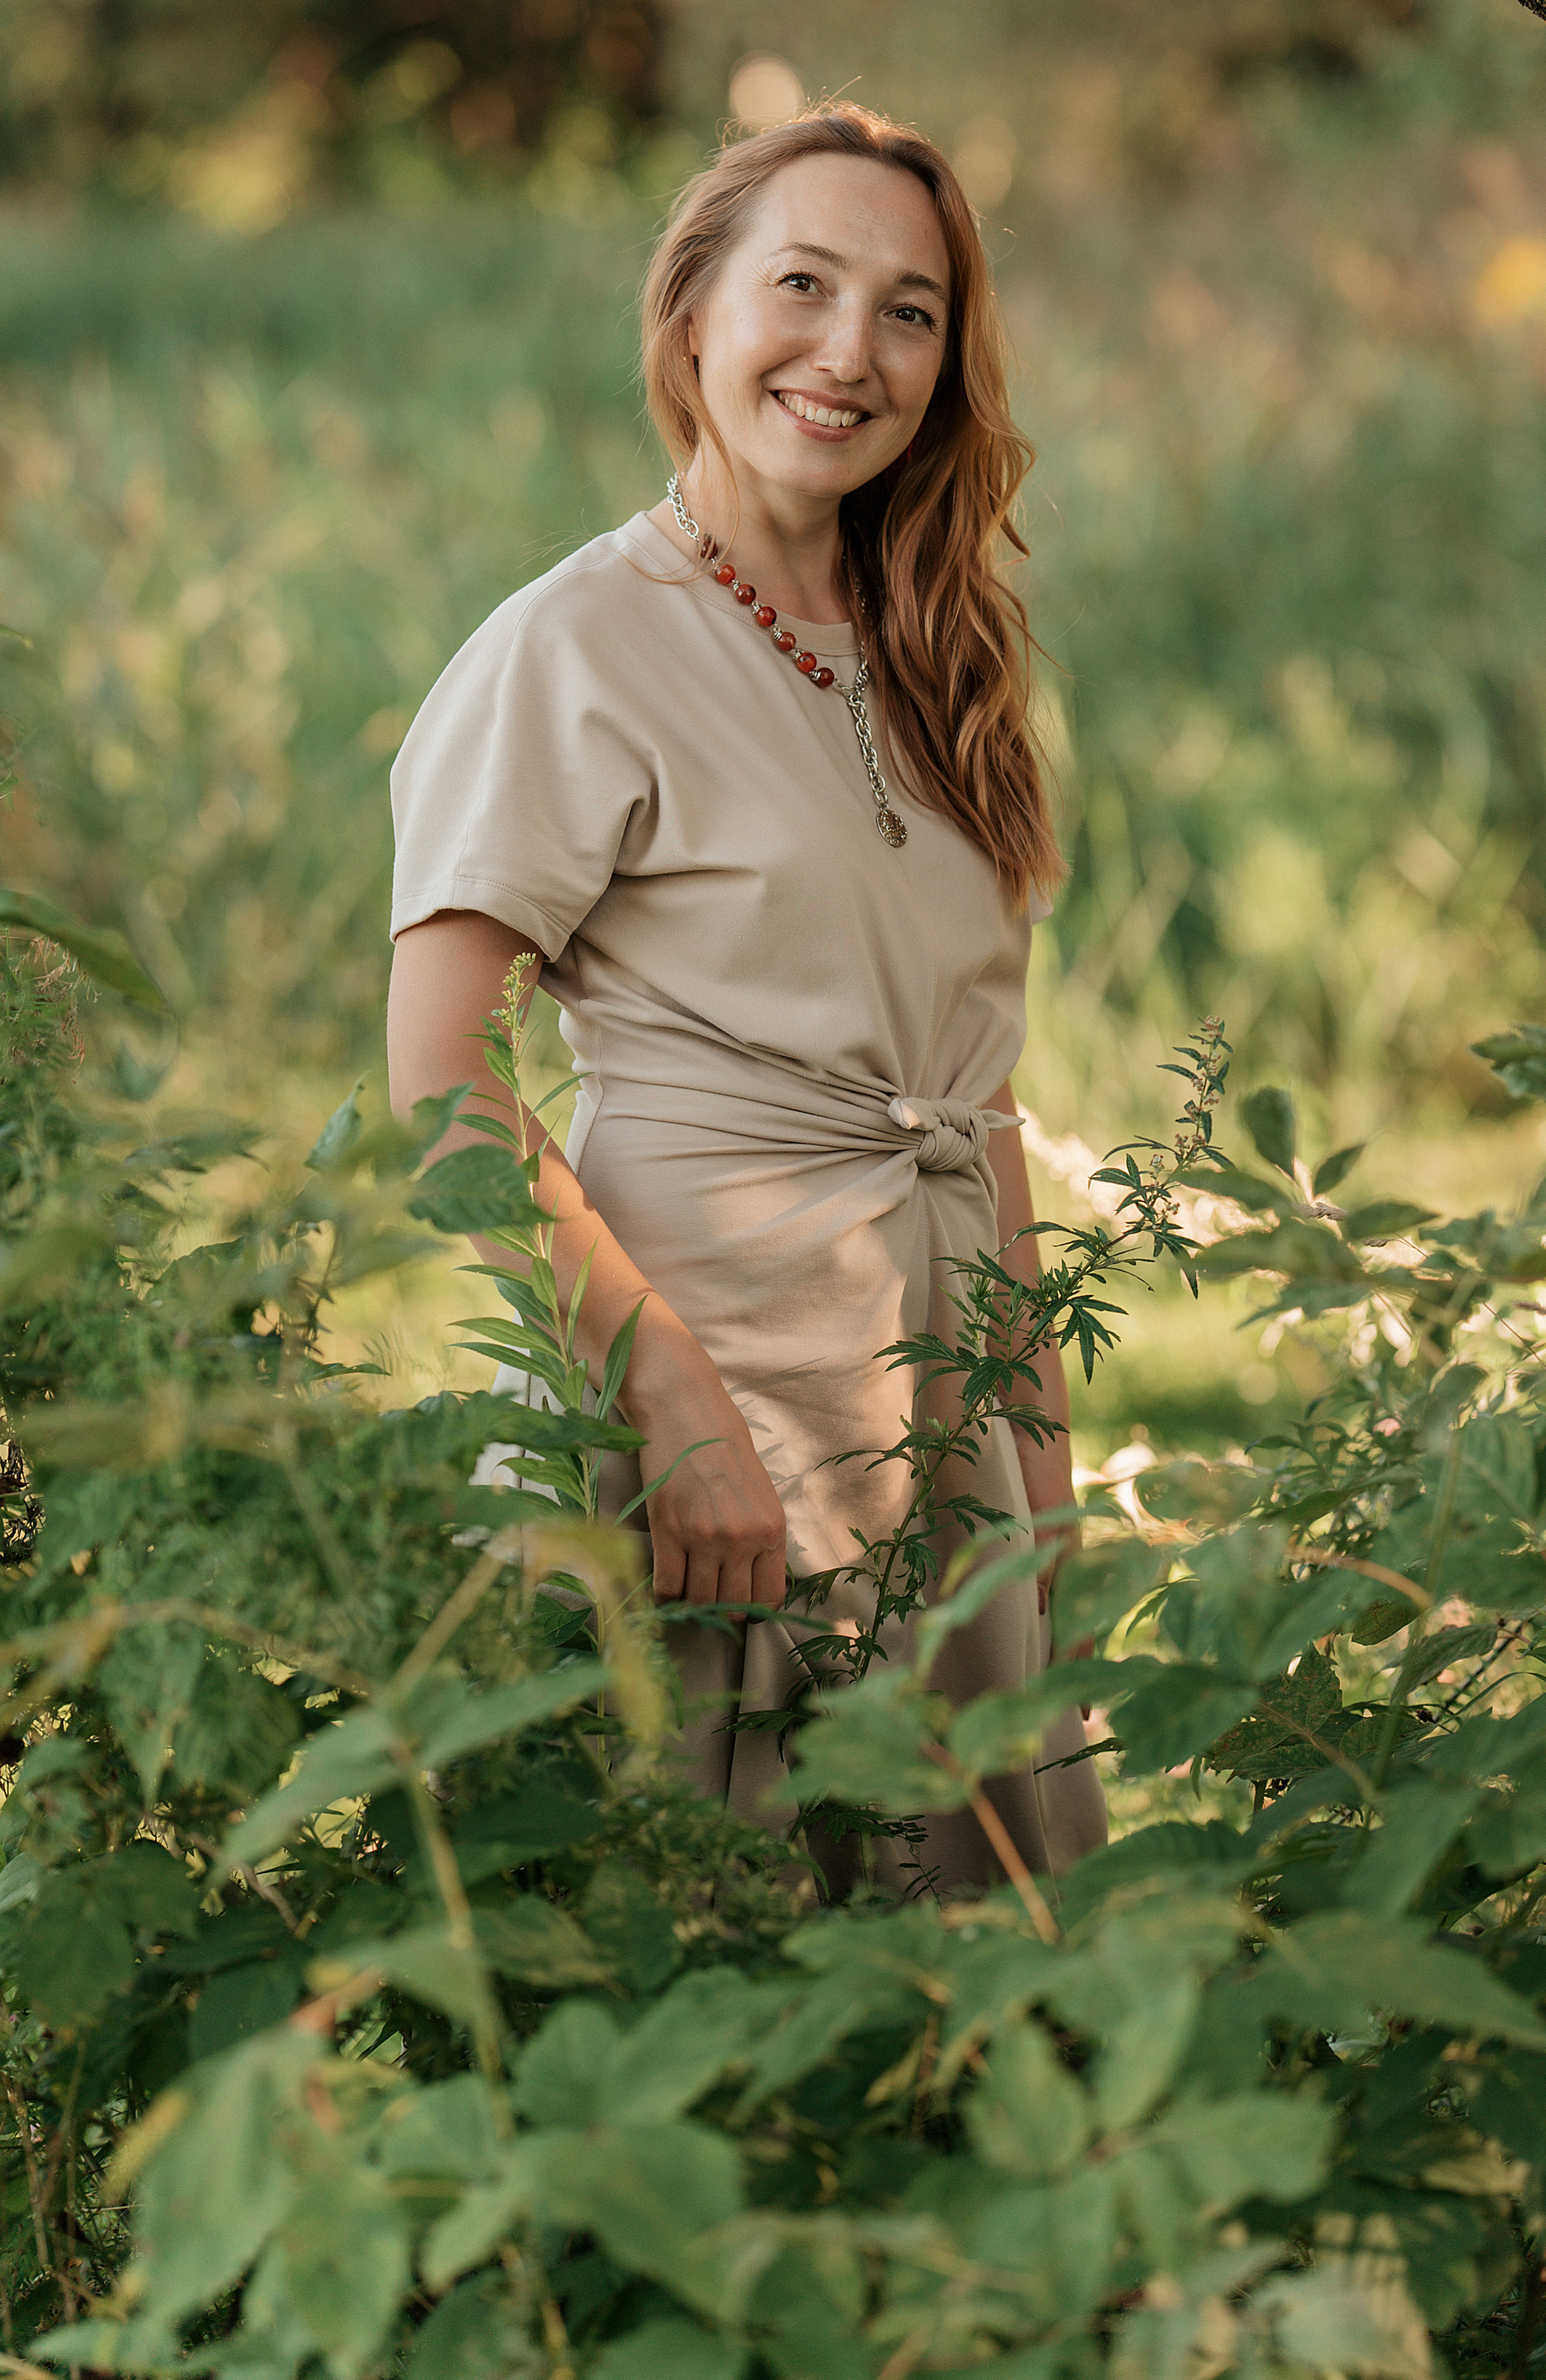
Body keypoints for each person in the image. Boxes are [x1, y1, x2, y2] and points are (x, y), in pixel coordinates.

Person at [385, 102, 1105, 1896]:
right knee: (725, 1948)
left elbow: (975, 1095)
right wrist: (667, 1405)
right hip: (713, 1406)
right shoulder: (573, 648)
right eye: (802, 284)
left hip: (943, 1411)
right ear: (693, 310)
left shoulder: (940, 650)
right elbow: (437, 1079)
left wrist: (1043, 1457)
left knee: (989, 1979)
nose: (847, 353)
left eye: (909, 311)